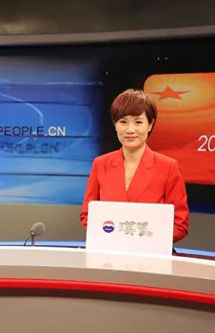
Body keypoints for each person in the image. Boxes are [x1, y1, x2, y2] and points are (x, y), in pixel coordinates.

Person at [80, 88, 189, 242]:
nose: (130, 130)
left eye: (138, 122)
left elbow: (180, 224)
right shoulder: (100, 164)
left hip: (152, 253)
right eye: (123, 122)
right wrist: (109, 237)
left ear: (150, 124)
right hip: (109, 251)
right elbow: (88, 215)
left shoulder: (168, 167)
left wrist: (147, 241)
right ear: (115, 125)